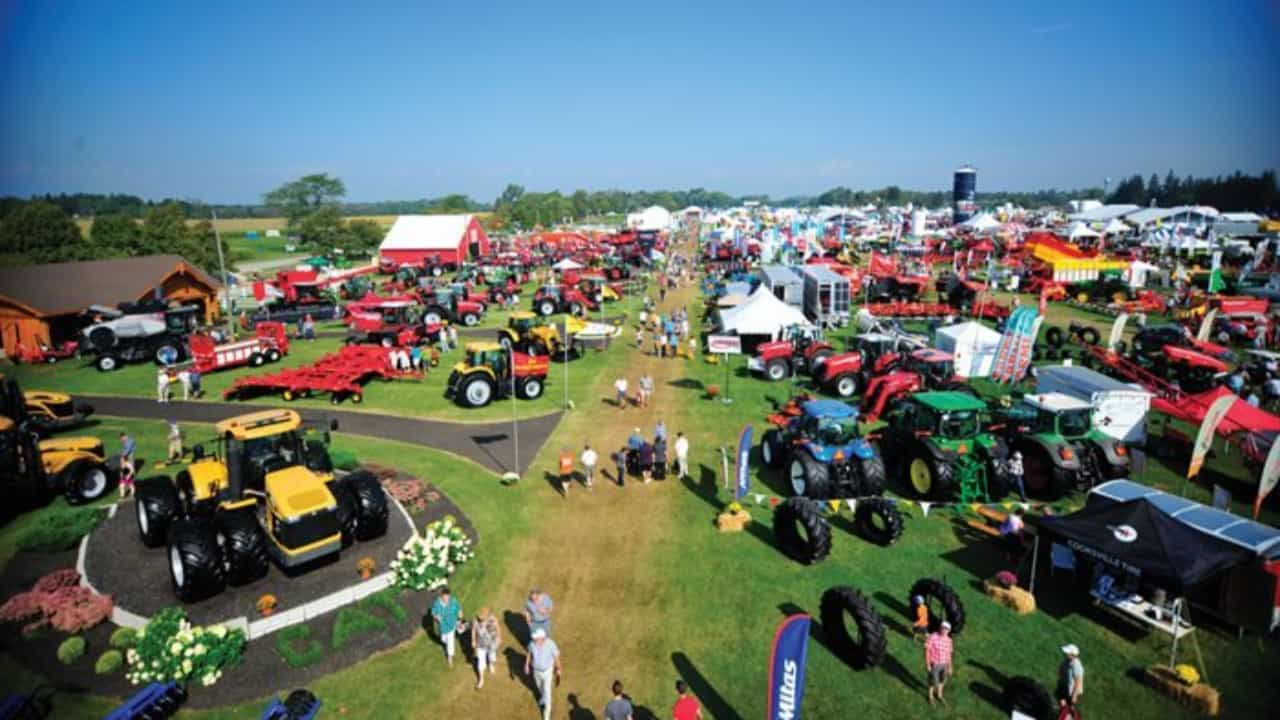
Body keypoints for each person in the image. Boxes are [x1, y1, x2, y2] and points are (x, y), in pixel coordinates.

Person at [525, 627, 561, 720]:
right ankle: (543, 698)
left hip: (547, 672)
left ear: (542, 638)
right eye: (534, 638)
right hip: (536, 671)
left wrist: (558, 669)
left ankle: (546, 715)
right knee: (539, 687)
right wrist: (526, 665)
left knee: (547, 691)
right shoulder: (532, 643)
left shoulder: (551, 644)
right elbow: (529, 653)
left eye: (536, 638)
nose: (534, 639)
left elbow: (556, 657)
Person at [430, 586, 463, 668]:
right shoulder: (437, 603)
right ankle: (446, 644)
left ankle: (450, 657)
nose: (447, 599)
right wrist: (436, 617)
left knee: (450, 642)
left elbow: (459, 608)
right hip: (443, 627)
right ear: (441, 596)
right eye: (445, 597)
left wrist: (460, 615)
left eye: (448, 597)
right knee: (443, 640)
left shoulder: (453, 601)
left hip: (452, 625)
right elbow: (433, 612)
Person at [924, 621, 954, 706]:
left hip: (944, 664)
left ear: (949, 631)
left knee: (942, 680)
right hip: (935, 664)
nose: (944, 630)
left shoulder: (949, 640)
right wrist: (927, 664)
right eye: (943, 628)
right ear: (940, 627)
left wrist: (950, 666)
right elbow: (927, 650)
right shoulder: (933, 636)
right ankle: (930, 697)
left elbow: (949, 654)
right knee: (933, 681)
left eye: (946, 629)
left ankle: (939, 695)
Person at [471, 606, 501, 689]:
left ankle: (491, 665)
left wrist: (499, 637)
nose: (481, 619)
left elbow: (498, 628)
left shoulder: (493, 619)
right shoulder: (475, 620)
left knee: (492, 658)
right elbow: (473, 630)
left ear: (487, 615)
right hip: (480, 644)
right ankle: (481, 679)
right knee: (481, 662)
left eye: (483, 618)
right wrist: (473, 640)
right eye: (480, 618)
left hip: (491, 643)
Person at [1057, 644, 1084, 719]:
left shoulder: (1076, 665)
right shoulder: (1066, 661)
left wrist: (1074, 697)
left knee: (1069, 711)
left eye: (1067, 653)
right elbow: (1060, 672)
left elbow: (1077, 682)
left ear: (1072, 655)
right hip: (1065, 689)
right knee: (1063, 708)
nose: (1065, 654)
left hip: (1073, 692)